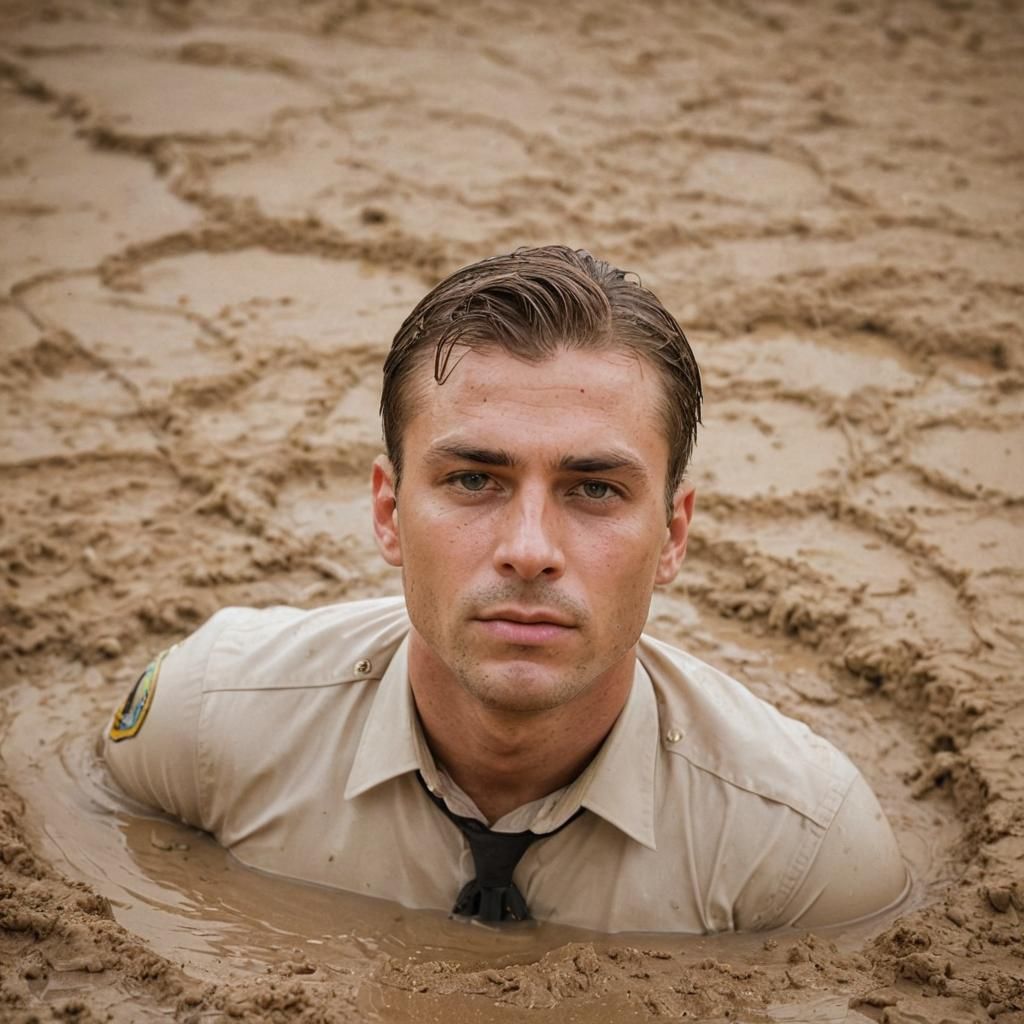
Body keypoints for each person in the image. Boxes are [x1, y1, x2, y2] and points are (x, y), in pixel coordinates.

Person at [103, 246, 908, 933]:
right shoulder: (203, 722)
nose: (529, 551)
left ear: (674, 535)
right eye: (473, 479)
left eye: (594, 489)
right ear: (388, 512)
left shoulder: (805, 854)